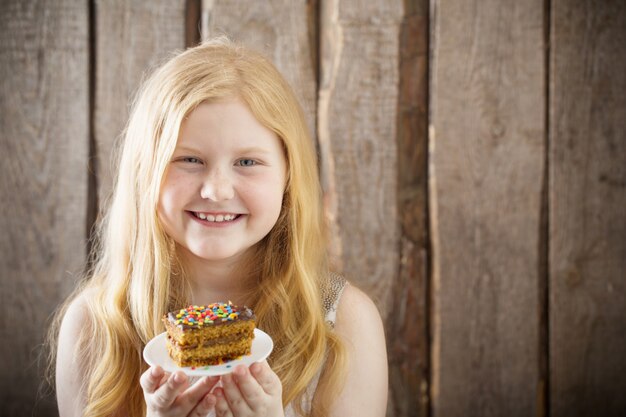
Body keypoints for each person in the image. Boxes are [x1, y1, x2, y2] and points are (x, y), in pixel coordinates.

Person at [49, 38, 387, 417]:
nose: (216, 190)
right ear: (146, 174)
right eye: (190, 159)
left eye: (247, 162)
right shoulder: (94, 329)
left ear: (289, 176)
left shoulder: (345, 324)